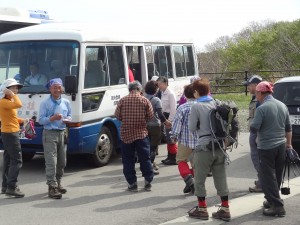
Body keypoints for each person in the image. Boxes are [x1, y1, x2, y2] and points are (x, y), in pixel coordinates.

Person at [188, 78, 231, 221]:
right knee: (221, 178)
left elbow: (192, 128)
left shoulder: (196, 106)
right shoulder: (217, 103)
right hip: (219, 146)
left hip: (204, 148)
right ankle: (225, 209)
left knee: (199, 179)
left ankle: (202, 209)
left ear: (195, 92)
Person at [250, 81, 292, 217]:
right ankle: (271, 200)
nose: (256, 96)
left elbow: (254, 128)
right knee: (277, 175)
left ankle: (278, 207)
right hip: (281, 145)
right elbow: (288, 128)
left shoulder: (262, 108)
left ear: (262, 93)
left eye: (256, 93)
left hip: (266, 146)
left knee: (267, 177)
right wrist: (289, 144)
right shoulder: (282, 105)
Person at [114, 81, 154, 192]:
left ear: (130, 89)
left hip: (126, 134)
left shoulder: (122, 100)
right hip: (141, 134)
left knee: (127, 160)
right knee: (145, 158)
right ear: (139, 89)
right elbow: (150, 116)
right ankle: (148, 182)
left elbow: (117, 115)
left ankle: (132, 183)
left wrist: (126, 120)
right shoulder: (145, 100)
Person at [39, 78, 72, 199]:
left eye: (59, 87)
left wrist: (67, 119)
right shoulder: (45, 103)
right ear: (50, 89)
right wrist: (52, 118)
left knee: (62, 161)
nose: (57, 90)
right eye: (54, 87)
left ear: (62, 88)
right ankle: (52, 187)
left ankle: (58, 183)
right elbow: (41, 120)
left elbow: (69, 115)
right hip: (49, 133)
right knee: (51, 161)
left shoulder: (66, 102)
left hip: (62, 132)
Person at [0, 78, 26, 198]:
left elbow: (10, 118)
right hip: (10, 133)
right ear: (6, 90)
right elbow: (19, 104)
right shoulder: (4, 101)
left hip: (8, 132)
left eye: (16, 88)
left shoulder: (7, 101)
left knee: (8, 159)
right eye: (13, 87)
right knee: (17, 160)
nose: (16, 89)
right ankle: (12, 186)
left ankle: (5, 186)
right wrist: (11, 94)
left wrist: (23, 121)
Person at [170, 84, 197, 194]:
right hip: (200, 141)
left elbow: (176, 125)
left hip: (185, 141)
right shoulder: (202, 106)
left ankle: (189, 180)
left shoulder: (182, 108)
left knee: (181, 161)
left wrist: (173, 137)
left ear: (185, 95)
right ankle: (193, 183)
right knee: (196, 164)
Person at [144, 80, 171, 175]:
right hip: (155, 126)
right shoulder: (156, 100)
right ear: (155, 90)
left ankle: (148, 163)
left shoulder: (142, 98)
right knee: (154, 147)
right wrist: (166, 122)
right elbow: (160, 114)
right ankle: (150, 165)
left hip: (144, 125)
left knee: (146, 146)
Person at [242, 75, 263, 193]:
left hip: (257, 134)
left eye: (249, 85)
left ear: (255, 85)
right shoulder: (256, 98)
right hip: (255, 133)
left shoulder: (260, 100)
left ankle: (262, 183)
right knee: (258, 159)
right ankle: (262, 180)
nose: (248, 87)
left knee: (258, 159)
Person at [157, 76, 178, 165]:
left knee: (171, 138)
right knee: (168, 138)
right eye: (158, 84)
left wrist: (169, 121)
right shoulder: (162, 93)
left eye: (160, 84)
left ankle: (174, 157)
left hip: (170, 117)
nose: (159, 86)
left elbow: (173, 109)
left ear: (165, 83)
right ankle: (170, 156)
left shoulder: (170, 94)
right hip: (165, 116)